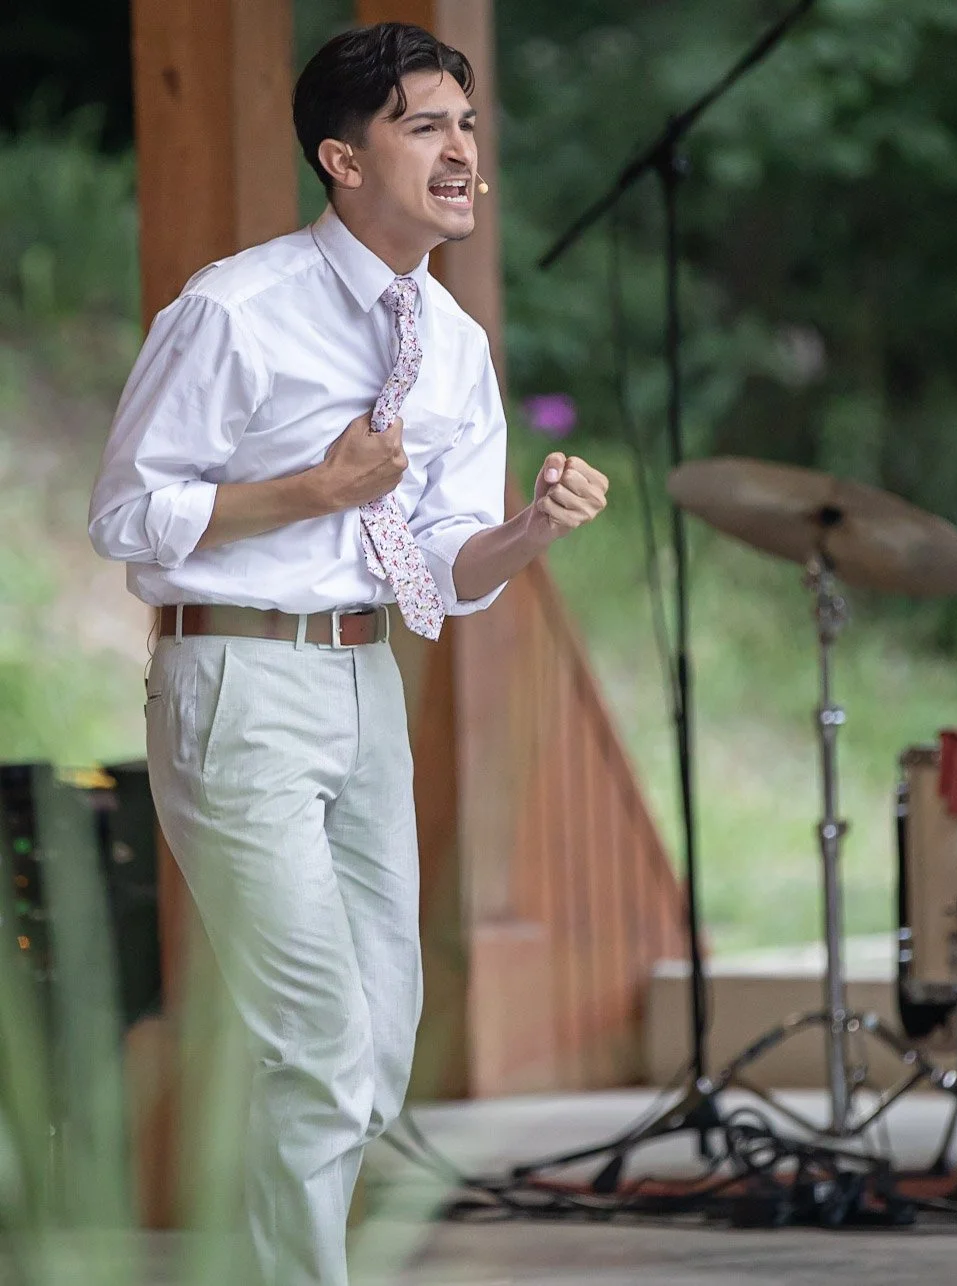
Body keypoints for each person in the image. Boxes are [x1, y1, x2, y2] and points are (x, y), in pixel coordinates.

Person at [87, 24, 607, 1285]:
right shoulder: (234, 306)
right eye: (424, 126)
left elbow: (439, 569)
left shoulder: (457, 347)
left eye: (467, 127)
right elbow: (124, 516)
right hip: (239, 680)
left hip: (365, 676)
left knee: (376, 1045)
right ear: (341, 156)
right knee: (317, 1041)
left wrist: (528, 530)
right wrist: (314, 488)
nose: (461, 153)